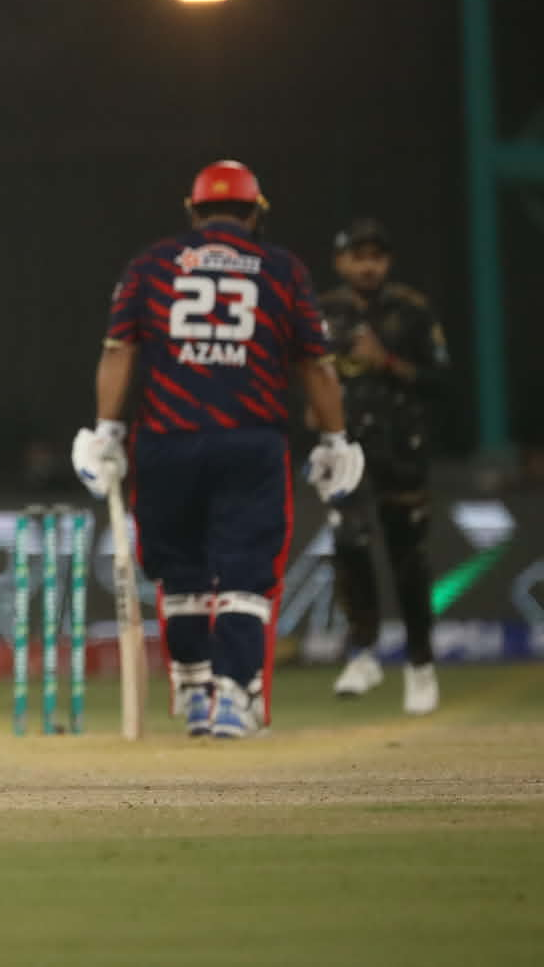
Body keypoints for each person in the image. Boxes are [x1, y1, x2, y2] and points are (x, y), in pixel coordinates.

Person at [72, 160, 365, 739]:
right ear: (256, 213)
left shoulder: (151, 265)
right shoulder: (281, 269)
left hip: (166, 440)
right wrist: (335, 438)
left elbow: (118, 351)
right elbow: (316, 362)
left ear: (192, 211)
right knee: (245, 574)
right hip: (248, 440)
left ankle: (194, 686)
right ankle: (232, 694)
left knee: (178, 575)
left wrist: (106, 429)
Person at [319, 218, 450, 715]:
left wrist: (386, 361)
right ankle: (364, 651)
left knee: (408, 560)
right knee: (348, 541)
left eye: (376, 255)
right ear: (341, 261)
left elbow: (441, 380)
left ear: (388, 262)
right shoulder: (324, 311)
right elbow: (307, 375)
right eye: (358, 255)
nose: (368, 265)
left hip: (402, 448)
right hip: (345, 449)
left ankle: (420, 665)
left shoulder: (412, 312)